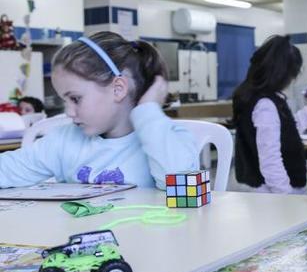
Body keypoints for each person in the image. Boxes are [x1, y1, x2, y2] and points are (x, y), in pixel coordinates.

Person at [0, 31, 199, 189]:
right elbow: (8, 169)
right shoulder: (64, 140)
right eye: (65, 100)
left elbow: (179, 186)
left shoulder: (169, 138)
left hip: (146, 239)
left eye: (75, 99)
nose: (69, 112)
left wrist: (148, 110)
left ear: (118, 88)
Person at [232, 35, 307, 194]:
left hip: (272, 190)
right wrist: (286, 196)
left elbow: (285, 132)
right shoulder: (265, 105)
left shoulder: (262, 98)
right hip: (275, 193)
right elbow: (270, 161)